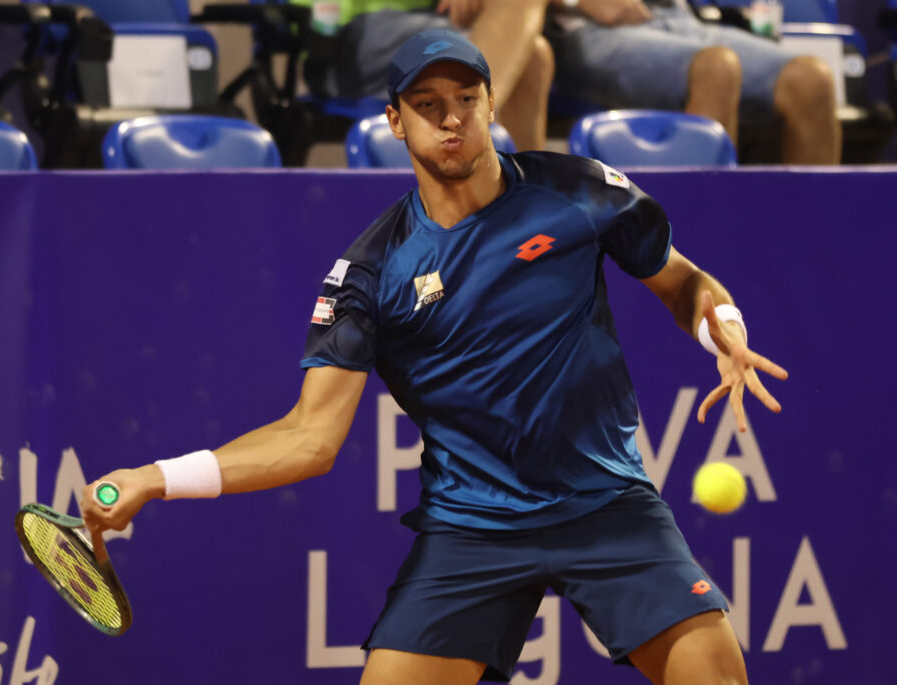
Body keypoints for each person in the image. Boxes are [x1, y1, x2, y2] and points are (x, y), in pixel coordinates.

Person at [81, 29, 788, 684]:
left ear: (490, 104)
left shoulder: (575, 191)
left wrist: (720, 323)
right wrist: (155, 476)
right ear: (395, 121)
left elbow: (683, 280)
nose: (450, 119)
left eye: (466, 101)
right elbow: (308, 437)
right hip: (472, 527)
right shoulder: (370, 269)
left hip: (605, 502)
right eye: (427, 105)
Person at [546, 0, 842, 164]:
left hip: (679, 18)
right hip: (590, 26)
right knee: (717, 69)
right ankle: (703, 250)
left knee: (811, 80)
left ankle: (817, 250)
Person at [292, 0, 555, 152]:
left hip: (429, 19)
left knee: (535, 57)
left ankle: (522, 203)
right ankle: (467, 141)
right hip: (348, 29)